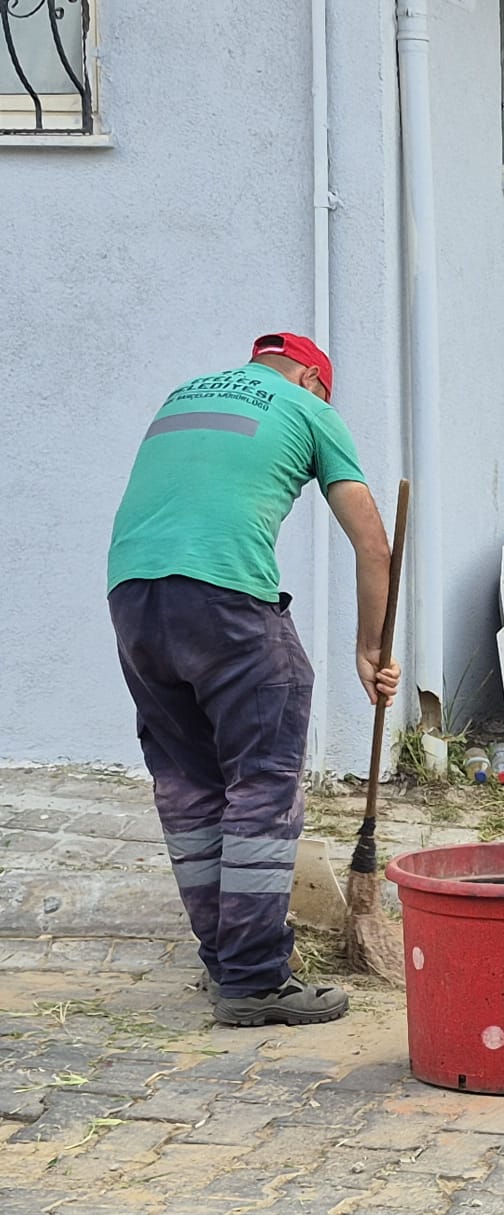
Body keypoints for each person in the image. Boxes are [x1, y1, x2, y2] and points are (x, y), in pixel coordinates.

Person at [106, 333, 400, 1027]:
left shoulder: (183, 395)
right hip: (226, 602)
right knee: (263, 785)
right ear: (312, 379)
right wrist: (368, 649)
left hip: (134, 601)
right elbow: (374, 543)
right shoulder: (309, 407)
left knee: (189, 787)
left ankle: (226, 961)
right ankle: (255, 979)